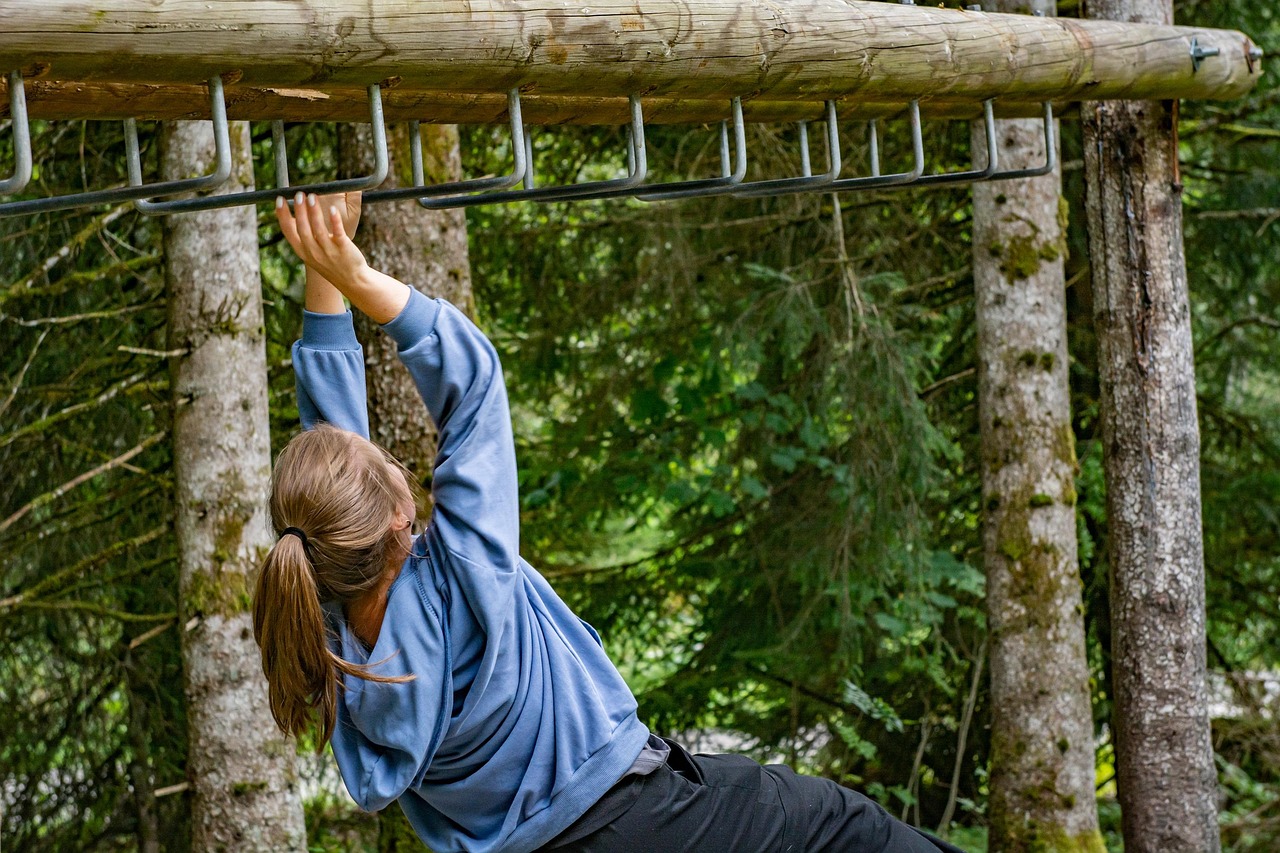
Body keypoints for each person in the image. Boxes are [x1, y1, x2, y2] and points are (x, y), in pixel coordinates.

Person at [253, 191, 966, 853]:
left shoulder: (330, 626)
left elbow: (331, 463)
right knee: (846, 830)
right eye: (384, 461)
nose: (385, 455)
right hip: (630, 817)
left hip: (557, 836)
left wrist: (325, 262)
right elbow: (473, 388)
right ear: (399, 514)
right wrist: (360, 277)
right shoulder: (462, 574)